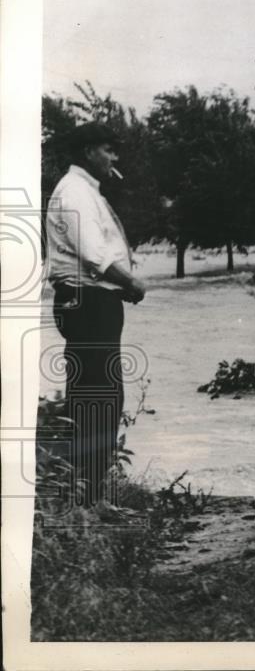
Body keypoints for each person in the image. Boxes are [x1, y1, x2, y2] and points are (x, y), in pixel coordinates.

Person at [45, 122, 145, 510]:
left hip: (92, 300)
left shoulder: (85, 190)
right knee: (96, 396)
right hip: (86, 302)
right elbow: (93, 254)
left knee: (101, 394)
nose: (114, 157)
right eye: (108, 149)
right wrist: (131, 283)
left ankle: (89, 494)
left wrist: (117, 287)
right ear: (88, 151)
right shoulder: (74, 192)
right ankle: (86, 499)